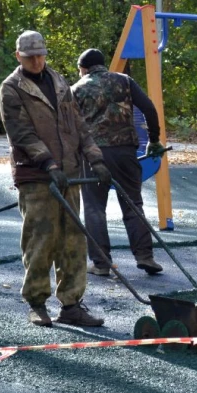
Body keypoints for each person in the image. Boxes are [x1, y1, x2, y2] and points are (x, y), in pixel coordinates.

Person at [0, 30, 112, 328]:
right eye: (29, 57)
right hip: (36, 176)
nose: (36, 61)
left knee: (73, 241)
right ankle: (36, 302)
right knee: (41, 240)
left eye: (40, 55)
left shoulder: (60, 82)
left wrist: (95, 157)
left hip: (69, 174)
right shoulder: (12, 89)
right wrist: (47, 163)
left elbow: (78, 124)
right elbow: (21, 133)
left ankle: (72, 304)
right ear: (18, 56)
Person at [71, 48, 168, 277]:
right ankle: (145, 256)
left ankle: (102, 264)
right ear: (103, 65)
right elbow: (149, 109)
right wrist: (153, 140)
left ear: (83, 69)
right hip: (126, 152)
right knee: (133, 203)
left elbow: (69, 126)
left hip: (93, 156)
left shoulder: (76, 89)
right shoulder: (124, 81)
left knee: (95, 209)